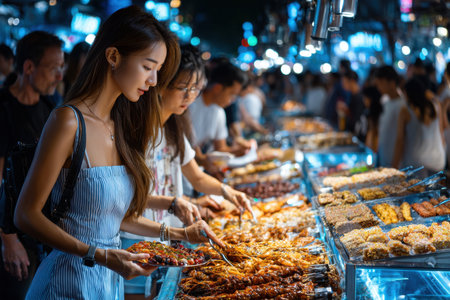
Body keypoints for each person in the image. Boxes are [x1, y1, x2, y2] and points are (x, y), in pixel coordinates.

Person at [13, 6, 222, 299]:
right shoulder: (68, 121)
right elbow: (25, 215)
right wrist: (98, 254)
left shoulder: (120, 126)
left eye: (158, 71)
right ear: (113, 56)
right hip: (65, 283)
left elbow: (115, 216)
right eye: (148, 67)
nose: (152, 81)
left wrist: (179, 234)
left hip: (108, 281)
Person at [121, 44, 253, 300]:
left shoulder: (173, 128)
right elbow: (128, 197)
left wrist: (228, 192)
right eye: (183, 88)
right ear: (161, 84)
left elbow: (196, 176)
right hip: (133, 236)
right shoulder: (136, 131)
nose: (189, 97)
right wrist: (178, 203)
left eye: (195, 89)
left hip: (164, 235)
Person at [0, 31, 64, 300]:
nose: (59, 76)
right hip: (12, 230)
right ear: (28, 67)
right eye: (53, 68)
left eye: (62, 68)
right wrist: (8, 239)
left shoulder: (51, 107)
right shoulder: (3, 107)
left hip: (41, 232)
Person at [188, 59, 249, 176]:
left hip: (200, 175)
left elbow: (221, 148)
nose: (232, 100)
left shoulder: (219, 111)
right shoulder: (189, 105)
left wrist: (242, 150)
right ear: (217, 88)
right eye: (232, 94)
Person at [392, 77, 445, 175]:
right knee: (435, 189)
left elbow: (400, 141)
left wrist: (393, 168)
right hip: (438, 160)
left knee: (418, 189)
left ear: (407, 94)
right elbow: (441, 134)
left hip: (417, 164)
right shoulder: (435, 106)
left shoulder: (405, 111)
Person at [374, 65, 406, 167]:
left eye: (381, 83)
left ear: (391, 83)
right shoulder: (385, 101)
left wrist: (395, 164)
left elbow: (402, 138)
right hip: (384, 157)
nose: (378, 87)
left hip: (396, 163)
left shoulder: (403, 105)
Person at [360, 86, 382, 151]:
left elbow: (373, 132)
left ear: (370, 99)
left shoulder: (375, 113)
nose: (363, 100)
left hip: (373, 147)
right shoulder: (369, 111)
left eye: (365, 98)